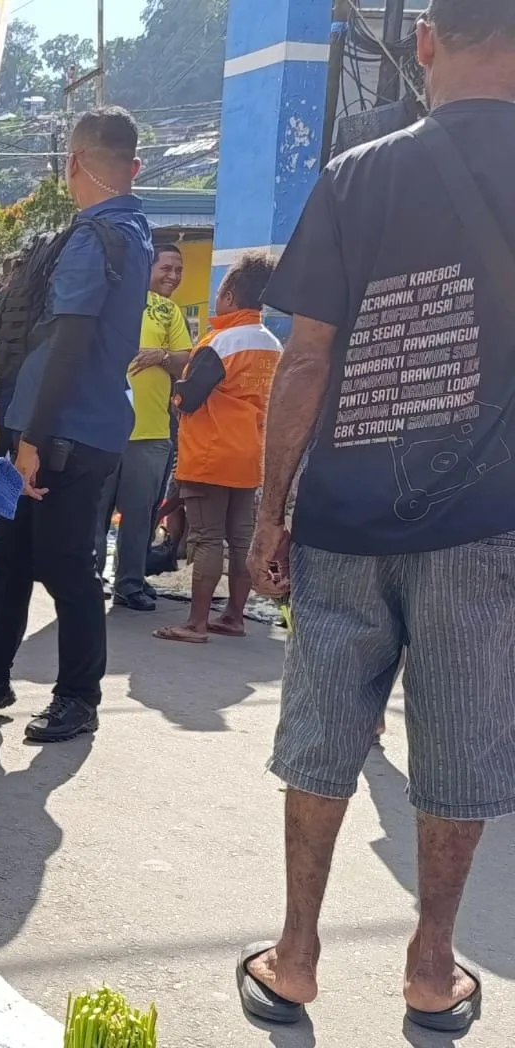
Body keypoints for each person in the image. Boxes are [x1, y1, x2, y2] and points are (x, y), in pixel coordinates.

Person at [238, 0, 515, 1032]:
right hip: (487, 525)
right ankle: (430, 967)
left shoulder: (356, 173)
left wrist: (272, 510)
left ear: (426, 42)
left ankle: (296, 955)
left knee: (320, 736)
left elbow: (305, 357)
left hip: (345, 519)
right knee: (461, 748)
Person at [0, 107, 154, 745]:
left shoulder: (91, 237)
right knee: (11, 554)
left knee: (64, 564)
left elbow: (65, 339)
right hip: (92, 421)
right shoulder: (134, 231)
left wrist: (29, 439)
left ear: (73, 162)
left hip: (62, 431)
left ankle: (78, 697)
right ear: (133, 166)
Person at [152, 255, 280, 644]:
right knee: (240, 539)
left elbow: (189, 399)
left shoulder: (220, 342)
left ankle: (195, 623)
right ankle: (233, 617)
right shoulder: (272, 343)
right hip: (249, 457)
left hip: (210, 454)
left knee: (206, 538)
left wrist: (174, 392)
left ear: (229, 295)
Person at [98, 241, 193, 611]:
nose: (173, 275)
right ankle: (86, 582)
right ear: (146, 267)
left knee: (140, 517)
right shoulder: (113, 299)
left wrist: (162, 355)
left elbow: (186, 360)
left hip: (151, 432)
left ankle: (130, 584)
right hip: (102, 427)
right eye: (165, 267)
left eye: (178, 270)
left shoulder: (169, 311)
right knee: (95, 513)